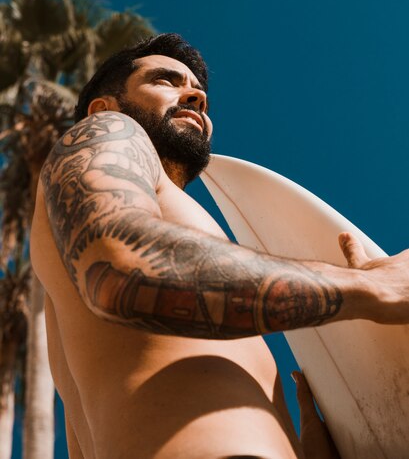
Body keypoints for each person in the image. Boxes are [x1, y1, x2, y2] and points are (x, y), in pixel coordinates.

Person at [31, 33, 409, 459]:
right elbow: (122, 270)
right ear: (105, 106)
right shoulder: (107, 129)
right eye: (165, 80)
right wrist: (377, 289)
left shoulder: (173, 223)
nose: (195, 95)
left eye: (200, 92)